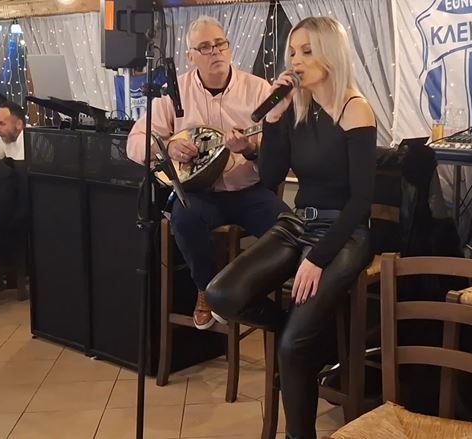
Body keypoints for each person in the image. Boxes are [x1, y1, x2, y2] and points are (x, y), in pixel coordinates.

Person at [205, 17, 377, 439]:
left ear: (330, 55)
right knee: (221, 295)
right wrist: (275, 120)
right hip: (299, 221)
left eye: (307, 51)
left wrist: (317, 259)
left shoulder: (355, 109)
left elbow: (361, 202)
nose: (295, 61)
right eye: (292, 52)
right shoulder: (298, 107)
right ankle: (293, 327)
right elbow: (269, 177)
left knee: (292, 349)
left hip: (345, 232)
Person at [126, 16, 289, 330]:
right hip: (201, 194)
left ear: (229, 48)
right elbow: (134, 143)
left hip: (249, 191)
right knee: (184, 218)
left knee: (290, 228)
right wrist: (168, 147)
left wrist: (250, 148)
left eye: (220, 44)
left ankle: (247, 295)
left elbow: (279, 151)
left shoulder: (258, 90)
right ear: (190, 57)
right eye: (204, 47)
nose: (215, 51)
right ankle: (207, 290)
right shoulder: (174, 92)